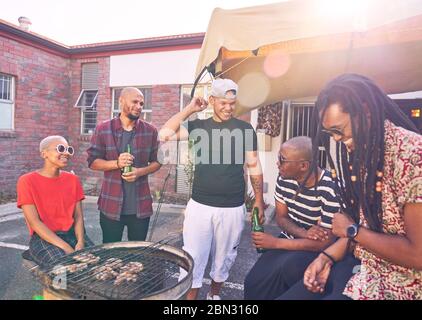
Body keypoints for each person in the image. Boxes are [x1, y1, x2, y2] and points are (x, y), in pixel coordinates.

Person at [278, 73, 422, 300]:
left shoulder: (412, 154)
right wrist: (325, 258)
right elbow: (358, 230)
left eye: (338, 130)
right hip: (365, 274)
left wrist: (353, 230)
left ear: (365, 112)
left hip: (400, 288)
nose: (335, 139)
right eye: (330, 133)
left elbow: (418, 255)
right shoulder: (363, 154)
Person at [159, 78, 264, 300]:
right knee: (193, 256)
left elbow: (254, 165)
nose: (228, 108)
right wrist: (189, 108)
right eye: (223, 102)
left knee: (225, 258)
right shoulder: (199, 127)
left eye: (232, 103)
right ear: (212, 100)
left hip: (233, 207)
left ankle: (213, 297)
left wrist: (259, 201)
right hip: (200, 206)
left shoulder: (244, 129)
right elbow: (165, 135)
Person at [244, 136, 340, 299]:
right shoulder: (283, 179)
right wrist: (305, 232)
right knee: (253, 283)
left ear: (303, 166)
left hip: (314, 252)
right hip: (293, 240)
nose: (277, 164)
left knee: (290, 270)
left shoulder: (330, 188)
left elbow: (323, 243)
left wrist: (274, 243)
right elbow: (281, 218)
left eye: (282, 160)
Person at [87, 87, 161, 243]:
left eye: (141, 103)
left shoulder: (151, 131)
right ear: (121, 101)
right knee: (111, 253)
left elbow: (158, 162)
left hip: (140, 207)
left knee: (136, 253)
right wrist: (117, 163)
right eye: (135, 101)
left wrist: (140, 172)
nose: (139, 106)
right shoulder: (103, 129)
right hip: (111, 205)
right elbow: (92, 162)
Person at [17, 135, 94, 268]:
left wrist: (80, 241)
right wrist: (67, 248)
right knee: (66, 268)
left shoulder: (73, 180)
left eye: (69, 150)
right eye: (60, 148)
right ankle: (36, 252)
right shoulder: (27, 181)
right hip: (44, 237)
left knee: (97, 262)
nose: (66, 153)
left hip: (72, 234)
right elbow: (34, 222)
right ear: (44, 154)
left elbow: (78, 216)